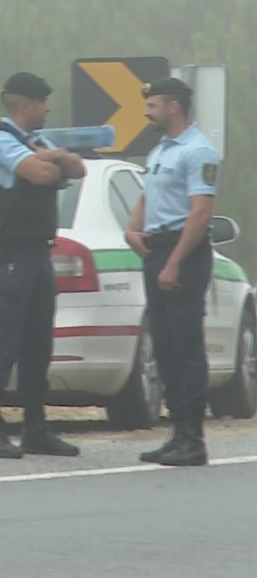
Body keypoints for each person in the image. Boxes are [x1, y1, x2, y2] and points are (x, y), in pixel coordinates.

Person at [0, 71, 87, 460]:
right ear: (26, 105)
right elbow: (41, 174)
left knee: (38, 341)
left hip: (37, 251)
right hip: (10, 253)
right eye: (43, 102)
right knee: (5, 338)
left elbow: (77, 168)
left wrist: (50, 155)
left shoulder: (37, 142)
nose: (48, 108)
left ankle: (35, 427)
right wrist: (51, 160)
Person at [126, 77, 219, 467]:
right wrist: (132, 229)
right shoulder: (160, 151)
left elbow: (200, 213)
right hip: (157, 250)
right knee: (163, 345)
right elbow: (147, 196)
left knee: (185, 346)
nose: (147, 112)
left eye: (153, 105)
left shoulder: (198, 151)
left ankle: (193, 439)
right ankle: (177, 431)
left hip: (184, 253)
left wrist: (175, 262)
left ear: (174, 107)